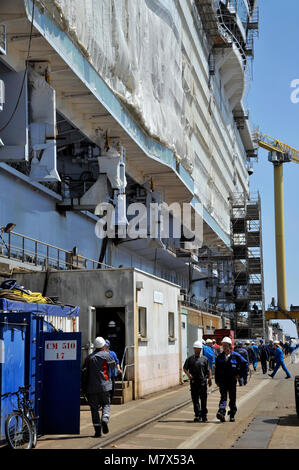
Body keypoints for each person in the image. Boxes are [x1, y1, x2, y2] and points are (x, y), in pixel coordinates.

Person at [83, 336, 115, 438]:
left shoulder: (89, 358)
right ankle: (105, 419)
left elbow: (84, 372)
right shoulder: (107, 356)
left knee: (94, 409)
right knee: (106, 404)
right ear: (103, 346)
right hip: (105, 386)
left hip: (91, 388)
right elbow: (113, 367)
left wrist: (84, 388)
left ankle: (97, 431)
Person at [215, 337, 248, 422]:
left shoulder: (236, 356)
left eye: (226, 345)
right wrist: (216, 380)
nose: (224, 347)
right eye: (223, 345)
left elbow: (245, 363)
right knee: (223, 397)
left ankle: (232, 414)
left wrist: (240, 374)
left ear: (230, 346)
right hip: (222, 381)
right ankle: (221, 413)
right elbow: (217, 370)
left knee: (232, 398)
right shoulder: (219, 357)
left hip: (232, 381)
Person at [183, 340, 212, 423]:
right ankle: (197, 415)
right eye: (195, 349)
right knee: (195, 399)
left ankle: (204, 416)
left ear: (200, 350)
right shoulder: (190, 359)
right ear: (194, 349)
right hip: (194, 382)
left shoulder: (204, 359)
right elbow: (185, 368)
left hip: (202, 382)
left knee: (203, 399)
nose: (197, 350)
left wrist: (209, 379)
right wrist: (188, 375)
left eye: (198, 349)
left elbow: (208, 369)